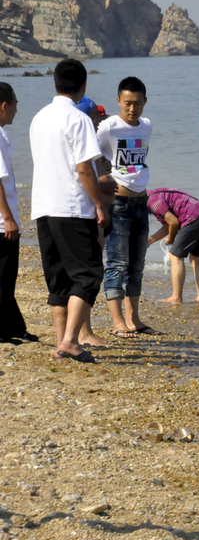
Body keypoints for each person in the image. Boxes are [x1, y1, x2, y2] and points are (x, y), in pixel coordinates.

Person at [29, 59, 109, 363]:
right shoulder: (78, 119)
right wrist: (100, 204)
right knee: (88, 273)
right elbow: (84, 169)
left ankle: (62, 341)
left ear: (55, 83)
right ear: (83, 86)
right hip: (72, 206)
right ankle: (70, 341)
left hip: (44, 206)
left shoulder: (39, 118)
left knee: (59, 277)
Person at [96, 77, 161, 338]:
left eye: (136, 103)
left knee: (137, 264)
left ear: (145, 101)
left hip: (141, 202)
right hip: (119, 203)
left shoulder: (146, 126)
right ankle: (117, 321)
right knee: (117, 263)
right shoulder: (108, 126)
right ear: (118, 101)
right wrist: (102, 177)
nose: (132, 109)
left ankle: (134, 319)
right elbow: (92, 154)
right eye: (127, 103)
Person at [73, 97, 115, 348]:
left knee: (80, 273)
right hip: (91, 215)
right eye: (97, 118)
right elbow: (93, 177)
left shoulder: (82, 141)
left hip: (85, 214)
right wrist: (108, 184)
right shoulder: (87, 144)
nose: (100, 122)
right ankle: (84, 332)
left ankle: (77, 331)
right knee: (88, 273)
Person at [0, 83, 38, 344]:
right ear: (4, 106)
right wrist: (8, 218)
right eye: (15, 103)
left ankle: (14, 326)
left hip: (4, 218)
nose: (17, 109)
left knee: (8, 276)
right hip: (2, 221)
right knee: (4, 277)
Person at [146, 188, 199, 304]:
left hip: (192, 217)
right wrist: (150, 241)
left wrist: (171, 240)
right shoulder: (154, 195)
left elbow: (174, 222)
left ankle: (176, 297)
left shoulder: (152, 202)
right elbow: (167, 225)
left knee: (175, 256)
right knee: (197, 259)